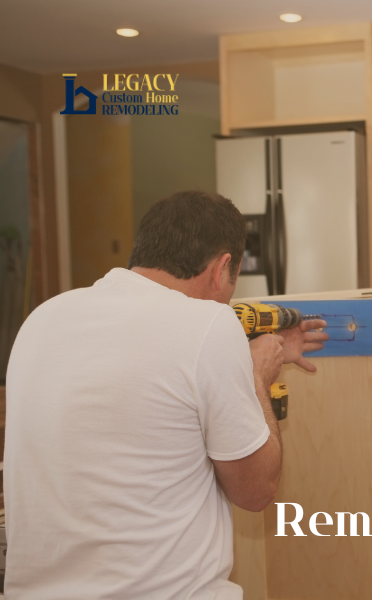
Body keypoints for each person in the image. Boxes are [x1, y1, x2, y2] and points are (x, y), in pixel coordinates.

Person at [3, 191, 329, 598]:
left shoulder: (43, 318)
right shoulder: (210, 324)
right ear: (222, 268)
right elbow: (256, 490)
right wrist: (255, 378)